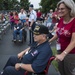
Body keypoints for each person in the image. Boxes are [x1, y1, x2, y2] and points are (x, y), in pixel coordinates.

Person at [49, 0, 75, 75]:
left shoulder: (74, 21)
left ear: (70, 8)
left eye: (62, 9)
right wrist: (48, 41)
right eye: (58, 9)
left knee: (68, 72)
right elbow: (58, 34)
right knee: (61, 70)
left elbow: (74, 41)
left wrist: (63, 54)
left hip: (70, 53)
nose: (59, 11)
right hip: (60, 50)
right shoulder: (61, 20)